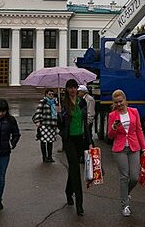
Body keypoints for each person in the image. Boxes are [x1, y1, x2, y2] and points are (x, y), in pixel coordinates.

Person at [107, 89, 145, 217]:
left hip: (133, 147)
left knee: (135, 177)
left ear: (125, 100)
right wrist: (114, 128)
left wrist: (144, 148)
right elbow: (109, 136)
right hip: (119, 149)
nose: (119, 104)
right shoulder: (112, 115)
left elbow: (139, 131)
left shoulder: (134, 112)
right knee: (124, 177)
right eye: (116, 102)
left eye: (120, 101)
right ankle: (125, 205)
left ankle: (126, 193)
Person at [57, 78, 92, 217]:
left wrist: (89, 141)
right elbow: (59, 126)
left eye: (74, 87)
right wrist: (59, 114)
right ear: (66, 89)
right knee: (76, 169)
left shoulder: (82, 102)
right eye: (70, 87)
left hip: (80, 139)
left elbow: (86, 124)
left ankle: (67, 191)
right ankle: (79, 204)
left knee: (74, 167)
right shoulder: (63, 104)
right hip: (69, 139)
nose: (72, 90)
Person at [32, 88, 59, 163]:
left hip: (52, 124)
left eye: (52, 94)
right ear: (46, 95)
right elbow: (38, 112)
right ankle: (44, 157)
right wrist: (37, 121)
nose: (51, 96)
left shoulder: (55, 102)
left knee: (50, 141)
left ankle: (50, 156)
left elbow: (57, 113)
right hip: (44, 124)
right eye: (49, 94)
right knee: (43, 141)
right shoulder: (43, 102)